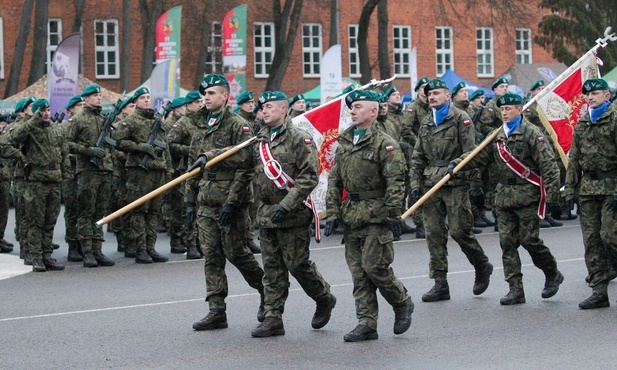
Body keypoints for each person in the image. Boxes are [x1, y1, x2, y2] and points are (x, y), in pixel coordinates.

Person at [449, 92, 564, 305]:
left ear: (519, 109)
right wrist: (458, 164)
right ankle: (515, 288)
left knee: (530, 241)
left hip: (528, 195)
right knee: (507, 243)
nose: (504, 112)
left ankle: (552, 273)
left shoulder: (532, 133)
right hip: (503, 197)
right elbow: (479, 156)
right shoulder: (497, 136)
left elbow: (549, 167)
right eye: (502, 109)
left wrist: (552, 198)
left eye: (508, 108)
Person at [243, 91, 336, 337]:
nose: (264, 111)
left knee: (297, 265)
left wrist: (287, 204)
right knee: (272, 267)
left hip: (291, 213)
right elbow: (240, 160)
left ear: (284, 109)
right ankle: (274, 317)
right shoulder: (259, 139)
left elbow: (309, 176)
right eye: (262, 107)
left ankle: (324, 297)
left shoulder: (299, 137)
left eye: (270, 107)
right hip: (265, 213)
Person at [325, 89, 413, 342]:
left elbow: (396, 181)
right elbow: (334, 181)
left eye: (358, 107)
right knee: (358, 274)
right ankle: (366, 322)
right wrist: (332, 214)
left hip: (377, 215)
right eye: (351, 108)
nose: (352, 111)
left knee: (375, 267)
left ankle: (402, 302)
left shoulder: (384, 144)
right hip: (352, 216)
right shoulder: (344, 142)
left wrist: (395, 215)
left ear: (373, 111)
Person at [185, 75, 265, 331]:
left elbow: (246, 166)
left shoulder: (238, 125)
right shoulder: (201, 126)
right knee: (211, 256)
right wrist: (189, 201)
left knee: (237, 253)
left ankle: (267, 292)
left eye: (211, 93)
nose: (206, 97)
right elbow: (192, 168)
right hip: (206, 201)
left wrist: (232, 203)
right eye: (204, 94)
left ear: (225, 96)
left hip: (232, 201)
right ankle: (216, 310)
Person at [409, 79, 493, 302]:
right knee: (434, 234)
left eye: (436, 93)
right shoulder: (426, 121)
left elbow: (471, 154)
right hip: (431, 185)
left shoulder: (460, 119)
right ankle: (440, 283)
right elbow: (418, 156)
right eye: (429, 94)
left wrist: (475, 186)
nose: (432, 97)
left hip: (455, 183)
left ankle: (482, 265)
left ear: (448, 96)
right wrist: (415, 185)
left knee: (459, 231)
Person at [565, 78, 617, 309]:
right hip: (588, 189)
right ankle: (599, 292)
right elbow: (574, 158)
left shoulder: (614, 119)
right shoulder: (584, 122)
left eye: (595, 93)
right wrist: (570, 189)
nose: (590, 97)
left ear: (607, 95)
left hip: (612, 186)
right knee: (592, 242)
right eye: (587, 94)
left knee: (610, 237)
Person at [11, 99, 69, 272]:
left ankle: (47, 255)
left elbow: (63, 153)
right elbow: (14, 137)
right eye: (42, 110)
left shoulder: (54, 129)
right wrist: (33, 120)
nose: (46, 113)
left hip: (54, 180)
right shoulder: (30, 130)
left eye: (48, 109)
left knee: (50, 221)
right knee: (35, 221)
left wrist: (64, 176)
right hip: (36, 181)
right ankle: (36, 257)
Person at [115, 87, 170, 264]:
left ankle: (151, 247)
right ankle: (141, 249)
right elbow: (118, 141)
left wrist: (167, 168)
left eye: (148, 97)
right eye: (143, 98)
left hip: (157, 170)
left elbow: (165, 145)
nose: (147, 100)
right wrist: (140, 147)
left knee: (154, 211)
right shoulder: (130, 121)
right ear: (136, 101)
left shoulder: (157, 121)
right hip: (139, 171)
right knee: (139, 210)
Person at [69, 85, 116, 267]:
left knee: (100, 212)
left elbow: (112, 144)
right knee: (86, 212)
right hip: (87, 171)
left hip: (104, 170)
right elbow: (69, 144)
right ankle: (87, 251)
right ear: (86, 99)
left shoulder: (103, 118)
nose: (99, 98)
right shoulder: (79, 119)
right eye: (95, 96)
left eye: (99, 95)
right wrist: (89, 151)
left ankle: (98, 249)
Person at [523, 80, 568, 226]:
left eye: (544, 88)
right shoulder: (530, 107)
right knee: (539, 181)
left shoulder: (548, 104)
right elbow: (524, 124)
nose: (542, 90)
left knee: (552, 178)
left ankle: (548, 211)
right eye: (539, 89)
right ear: (533, 92)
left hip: (551, 146)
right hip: (536, 147)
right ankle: (539, 214)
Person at [167, 90, 206, 260]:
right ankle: (190, 244)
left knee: (202, 208)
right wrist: (190, 150)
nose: (200, 104)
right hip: (187, 170)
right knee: (188, 209)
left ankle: (200, 243)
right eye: (197, 102)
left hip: (203, 169)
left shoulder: (205, 122)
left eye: (201, 101)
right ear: (189, 105)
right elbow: (171, 145)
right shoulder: (182, 123)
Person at [56, 94, 84, 262]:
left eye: (82, 104)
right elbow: (62, 151)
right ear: (70, 110)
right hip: (71, 174)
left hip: (86, 173)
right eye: (78, 105)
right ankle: (73, 246)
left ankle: (85, 244)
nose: (81, 107)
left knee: (86, 210)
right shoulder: (66, 127)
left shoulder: (86, 124)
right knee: (73, 211)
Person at [233, 91, 261, 254]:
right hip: (242, 168)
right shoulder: (240, 121)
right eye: (247, 103)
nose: (251, 105)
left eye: (252, 102)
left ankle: (249, 238)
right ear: (240, 105)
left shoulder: (254, 121)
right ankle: (243, 239)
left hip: (254, 169)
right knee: (243, 206)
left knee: (253, 205)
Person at [11, 97, 36, 264]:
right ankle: (25, 248)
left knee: (34, 213)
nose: (34, 109)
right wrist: (22, 157)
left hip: (35, 176)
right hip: (21, 176)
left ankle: (35, 246)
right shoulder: (16, 128)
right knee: (24, 215)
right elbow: (7, 147)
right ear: (22, 111)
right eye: (31, 107)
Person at [406, 77, 431, 238]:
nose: (426, 91)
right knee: (417, 188)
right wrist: (419, 143)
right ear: (417, 91)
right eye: (423, 88)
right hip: (417, 152)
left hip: (432, 154)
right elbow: (405, 129)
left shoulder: (431, 108)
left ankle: (431, 221)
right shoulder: (413, 108)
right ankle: (419, 223)